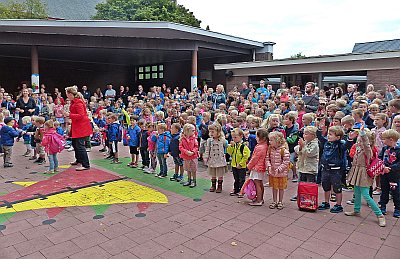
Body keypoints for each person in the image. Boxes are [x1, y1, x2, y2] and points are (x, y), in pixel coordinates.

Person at [345, 125, 386, 226]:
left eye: (361, 140)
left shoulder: (369, 151)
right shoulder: (358, 148)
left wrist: (363, 135)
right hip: (357, 172)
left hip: (364, 174)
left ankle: (380, 215)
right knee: (357, 191)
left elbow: (366, 145)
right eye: (358, 139)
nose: (359, 142)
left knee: (366, 195)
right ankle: (356, 209)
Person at [317, 126, 347, 213]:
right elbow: (319, 136)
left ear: (338, 137)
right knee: (326, 186)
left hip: (336, 170)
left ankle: (338, 205)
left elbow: (347, 146)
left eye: (331, 134)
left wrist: (350, 139)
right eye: (328, 134)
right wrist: (320, 129)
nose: (328, 136)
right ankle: (326, 202)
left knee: (337, 187)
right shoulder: (326, 142)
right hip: (325, 169)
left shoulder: (340, 145)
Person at [64, 86, 92, 171]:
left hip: (81, 126)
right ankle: (79, 160)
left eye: (67, 94)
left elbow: (81, 115)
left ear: (70, 94)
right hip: (77, 126)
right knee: (75, 144)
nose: (67, 96)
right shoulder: (75, 102)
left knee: (80, 145)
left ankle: (86, 164)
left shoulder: (78, 102)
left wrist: (69, 115)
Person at [378, 129, 400, 218]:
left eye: (384, 139)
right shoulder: (384, 149)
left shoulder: (398, 150)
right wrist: (382, 166)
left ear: (391, 139)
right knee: (384, 190)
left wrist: (391, 168)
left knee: (396, 192)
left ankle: (398, 208)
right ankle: (382, 205)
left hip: (394, 175)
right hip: (384, 174)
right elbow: (380, 158)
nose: (383, 141)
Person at [266, 131, 290, 209]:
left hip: (281, 173)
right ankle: (274, 201)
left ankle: (280, 201)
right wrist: (269, 167)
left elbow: (286, 162)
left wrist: (279, 169)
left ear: (277, 140)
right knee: (274, 187)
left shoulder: (284, 151)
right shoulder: (270, 149)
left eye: (271, 140)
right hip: (273, 172)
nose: (269, 142)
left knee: (281, 188)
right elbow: (267, 159)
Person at [246, 128, 269, 206]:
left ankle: (258, 200)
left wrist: (249, 166)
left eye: (257, 136)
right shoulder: (265, 146)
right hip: (261, 167)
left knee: (257, 183)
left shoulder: (260, 147)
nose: (256, 138)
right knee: (260, 183)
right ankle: (260, 198)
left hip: (257, 167)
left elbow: (254, 158)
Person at [204, 123, 228, 193]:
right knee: (213, 173)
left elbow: (227, 147)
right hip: (212, 159)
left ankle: (219, 186)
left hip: (220, 159)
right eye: (210, 132)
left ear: (218, 132)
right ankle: (213, 185)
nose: (211, 133)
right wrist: (206, 157)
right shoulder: (209, 140)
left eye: (213, 132)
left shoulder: (222, 140)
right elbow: (207, 149)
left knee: (220, 173)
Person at [227, 128, 250, 197]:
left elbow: (246, 156)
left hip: (241, 166)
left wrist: (241, 164)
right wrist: (231, 146)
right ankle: (236, 189)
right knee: (236, 178)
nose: (234, 139)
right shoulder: (234, 145)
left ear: (241, 136)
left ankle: (242, 190)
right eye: (233, 137)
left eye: (235, 137)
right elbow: (230, 152)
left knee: (241, 179)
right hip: (234, 165)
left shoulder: (243, 146)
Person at [179, 123, 199, 187]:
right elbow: (180, 147)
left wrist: (192, 152)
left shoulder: (194, 138)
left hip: (193, 156)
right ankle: (189, 180)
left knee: (193, 169)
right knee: (188, 169)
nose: (194, 132)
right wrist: (186, 152)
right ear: (187, 131)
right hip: (186, 156)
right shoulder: (182, 139)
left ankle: (194, 181)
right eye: (192, 130)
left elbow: (196, 146)